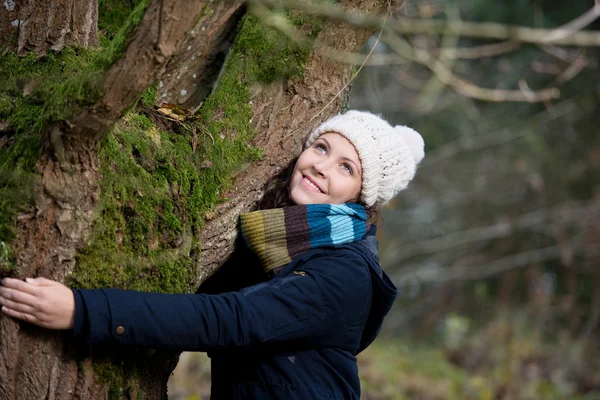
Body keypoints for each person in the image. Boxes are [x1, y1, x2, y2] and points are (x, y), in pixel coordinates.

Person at [0, 110, 424, 399]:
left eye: (347, 168)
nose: (322, 166)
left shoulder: (344, 272)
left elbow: (228, 320)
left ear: (362, 197)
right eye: (322, 148)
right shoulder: (275, 240)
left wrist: (81, 310)